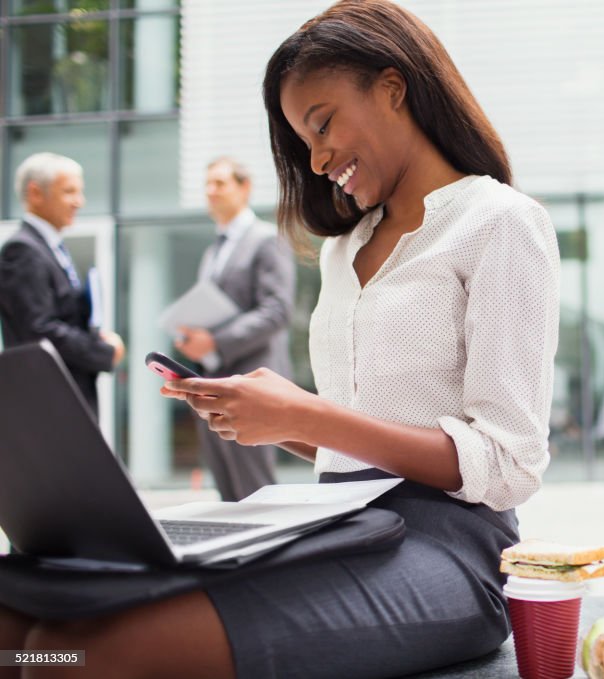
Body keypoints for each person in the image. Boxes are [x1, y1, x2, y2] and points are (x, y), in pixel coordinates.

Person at [0, 1, 559, 677]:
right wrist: (266, 420)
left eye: (321, 125)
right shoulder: (343, 248)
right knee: (19, 625)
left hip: (448, 548)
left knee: (78, 656)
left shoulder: (499, 223)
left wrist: (302, 413)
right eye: (303, 141)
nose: (317, 158)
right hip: (332, 520)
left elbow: (508, 462)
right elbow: (359, 433)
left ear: (393, 86)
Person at [175, 157, 296, 501]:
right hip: (215, 382)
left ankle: (271, 555)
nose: (210, 191)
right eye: (207, 184)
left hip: (251, 380)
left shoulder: (266, 239)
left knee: (255, 488)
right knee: (228, 490)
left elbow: (277, 310)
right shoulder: (213, 251)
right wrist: (193, 338)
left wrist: (214, 341)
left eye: (220, 183)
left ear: (245, 188)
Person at [0, 152, 124, 417]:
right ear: (35, 193)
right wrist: (102, 351)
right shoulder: (22, 251)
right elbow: (39, 330)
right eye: (69, 192)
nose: (79, 202)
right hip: (47, 402)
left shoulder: (51, 248)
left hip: (62, 396)